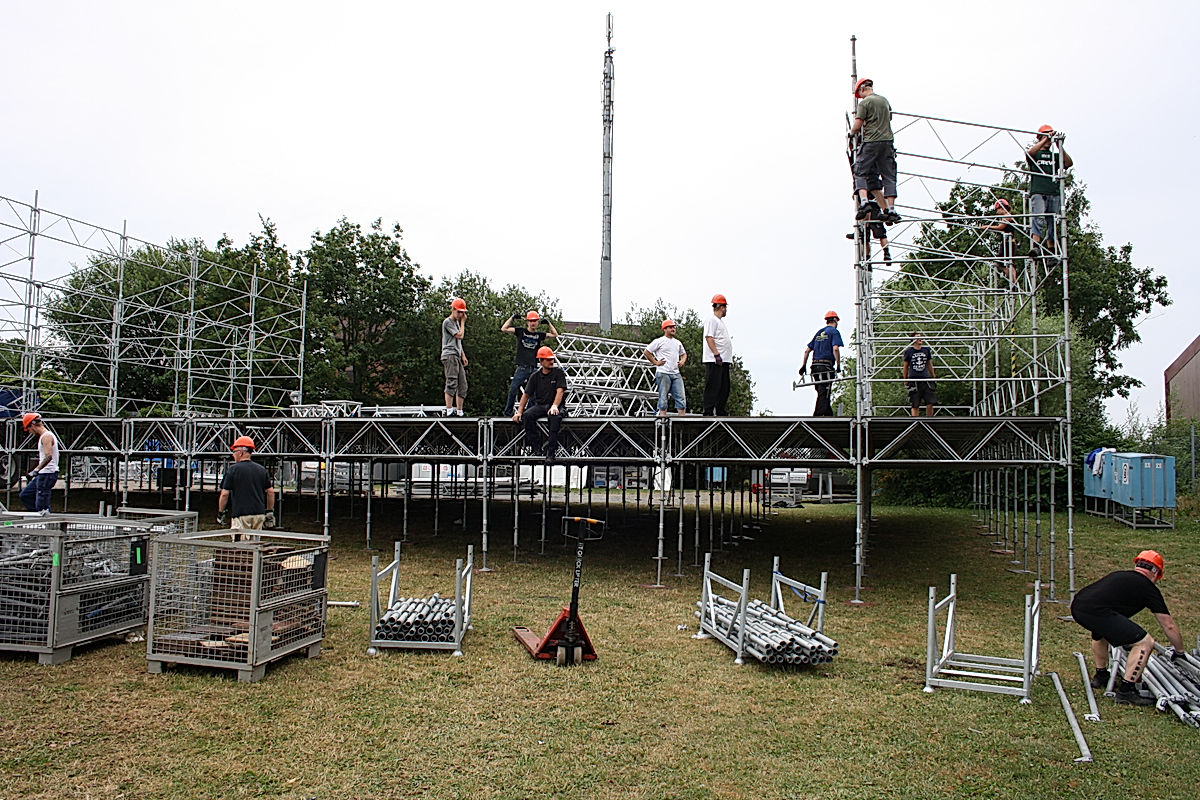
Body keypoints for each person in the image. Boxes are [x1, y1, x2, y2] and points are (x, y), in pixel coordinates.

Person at [1071, 550, 1187, 706]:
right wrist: (1179, 652)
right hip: (1096, 611)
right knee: (1145, 642)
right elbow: (1169, 626)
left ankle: (1101, 676)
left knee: (1101, 631)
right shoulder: (1148, 588)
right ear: (1156, 572)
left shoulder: (1121, 576)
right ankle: (1127, 691)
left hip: (1078, 606)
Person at [849, 78, 900, 224]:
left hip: (871, 142)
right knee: (889, 176)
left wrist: (852, 133)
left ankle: (864, 202)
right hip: (887, 142)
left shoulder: (865, 103)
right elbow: (889, 117)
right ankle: (891, 209)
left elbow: (858, 123)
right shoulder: (884, 101)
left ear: (862, 89)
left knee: (860, 171)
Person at [513, 346, 568, 463]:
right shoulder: (535, 376)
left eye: (552, 359)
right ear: (541, 361)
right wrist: (519, 412)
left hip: (555, 405)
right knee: (527, 416)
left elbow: (560, 391)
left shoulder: (558, 373)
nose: (551, 361)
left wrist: (555, 406)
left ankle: (551, 451)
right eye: (548, 359)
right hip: (541, 405)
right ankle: (536, 448)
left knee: (554, 418)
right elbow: (526, 395)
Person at [500, 310, 558, 416]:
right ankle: (508, 413)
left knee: (533, 393)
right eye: (531, 321)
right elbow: (504, 328)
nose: (533, 323)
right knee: (513, 388)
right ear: (527, 322)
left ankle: (528, 412)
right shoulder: (521, 331)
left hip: (533, 367)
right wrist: (512, 318)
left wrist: (549, 323)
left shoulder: (539, 335)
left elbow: (555, 334)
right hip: (522, 367)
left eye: (535, 321)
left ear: (537, 322)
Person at [1026, 124, 1073, 253]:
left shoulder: (1055, 156)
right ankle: (1035, 245)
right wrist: (1045, 140)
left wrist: (1059, 146)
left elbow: (1068, 163)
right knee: (1038, 217)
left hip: (1053, 192)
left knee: (1052, 221)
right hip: (1039, 191)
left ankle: (1051, 247)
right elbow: (1029, 154)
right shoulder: (1036, 154)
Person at [217, 435, 276, 537]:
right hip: (259, 514)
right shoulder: (261, 470)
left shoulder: (233, 470)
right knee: (255, 545)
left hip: (241, 514)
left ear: (241, 453)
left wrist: (220, 512)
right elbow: (270, 492)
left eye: (234, 452)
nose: (233, 455)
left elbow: (224, 494)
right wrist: (269, 511)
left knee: (241, 547)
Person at [799, 312, 844, 416]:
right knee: (825, 391)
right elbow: (835, 349)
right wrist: (838, 365)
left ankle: (827, 413)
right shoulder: (834, 332)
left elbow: (807, 351)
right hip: (826, 366)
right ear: (836, 320)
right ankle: (819, 415)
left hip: (814, 366)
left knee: (821, 390)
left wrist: (803, 366)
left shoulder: (819, 332)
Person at [644, 319, 688, 416]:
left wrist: (682, 361)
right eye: (671, 327)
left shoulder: (677, 342)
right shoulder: (659, 341)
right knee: (663, 397)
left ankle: (682, 420)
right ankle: (662, 418)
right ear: (665, 329)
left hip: (675, 373)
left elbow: (684, 354)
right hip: (663, 372)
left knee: (681, 397)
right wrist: (655, 362)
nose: (673, 329)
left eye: (674, 327)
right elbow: (647, 352)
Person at [18, 412, 59, 514]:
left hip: (47, 473)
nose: (29, 432)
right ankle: (37, 515)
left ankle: (45, 521)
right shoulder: (44, 436)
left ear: (32, 425)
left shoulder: (47, 436)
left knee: (42, 503)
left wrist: (36, 470)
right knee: (25, 495)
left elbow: (48, 456)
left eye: (28, 429)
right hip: (43, 473)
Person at [702, 294, 733, 416]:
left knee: (724, 387)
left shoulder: (719, 322)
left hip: (723, 360)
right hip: (714, 360)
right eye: (724, 307)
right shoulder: (712, 320)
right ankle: (708, 411)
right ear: (721, 307)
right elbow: (709, 337)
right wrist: (716, 354)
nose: (725, 310)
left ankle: (721, 410)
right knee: (713, 386)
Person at [441, 298, 469, 416]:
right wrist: (463, 323)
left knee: (463, 384)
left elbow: (459, 342)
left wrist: (463, 355)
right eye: (459, 312)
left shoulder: (456, 323)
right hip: (449, 354)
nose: (461, 315)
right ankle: (449, 410)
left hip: (457, 354)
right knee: (452, 381)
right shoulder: (448, 322)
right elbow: (459, 335)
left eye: (462, 312)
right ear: (453, 310)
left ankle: (459, 410)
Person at [981, 198, 1018, 285]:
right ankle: (1012, 280)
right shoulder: (1006, 216)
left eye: (997, 209)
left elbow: (1000, 227)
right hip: (1007, 242)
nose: (997, 212)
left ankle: (1013, 281)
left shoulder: (1007, 216)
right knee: (1005, 263)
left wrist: (987, 227)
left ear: (1002, 208)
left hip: (1009, 243)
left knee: (1002, 263)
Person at [902, 333, 938, 417]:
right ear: (913, 340)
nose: (920, 338)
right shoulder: (908, 351)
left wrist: (933, 376)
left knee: (930, 401)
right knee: (915, 402)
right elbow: (906, 366)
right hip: (914, 379)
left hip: (926, 379)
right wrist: (905, 379)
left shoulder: (926, 350)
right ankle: (915, 421)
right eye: (918, 337)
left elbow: (929, 364)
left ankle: (929, 420)